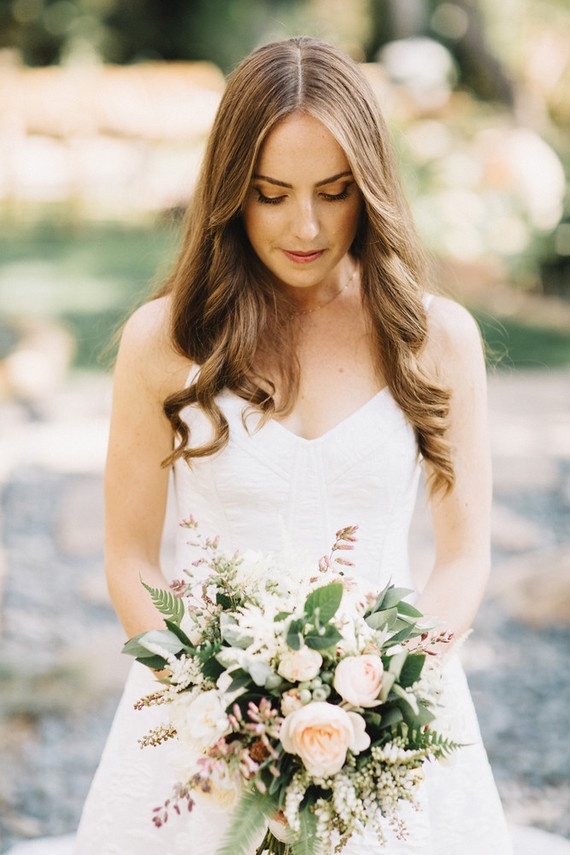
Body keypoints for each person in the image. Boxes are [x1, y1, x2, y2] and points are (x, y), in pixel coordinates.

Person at [72, 35, 513, 854]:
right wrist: (216, 700)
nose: (304, 225)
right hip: (200, 730)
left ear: (369, 188)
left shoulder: (435, 338)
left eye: (334, 192)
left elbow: (463, 558)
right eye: (271, 194)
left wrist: (381, 699)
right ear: (231, 190)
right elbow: (129, 554)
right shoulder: (164, 340)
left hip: (393, 720)